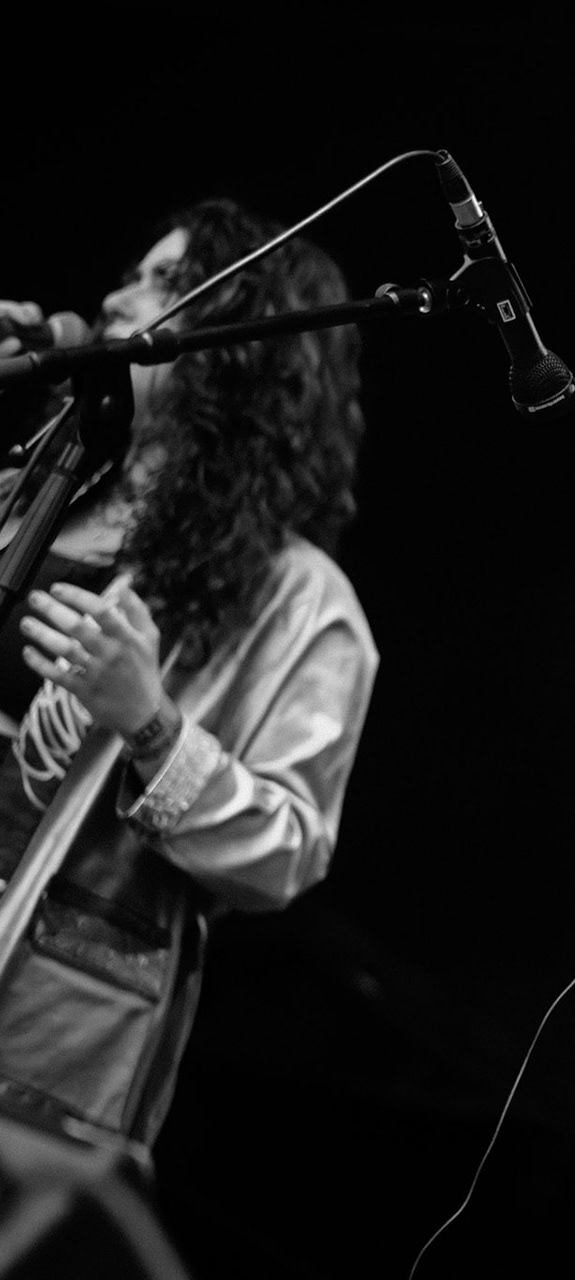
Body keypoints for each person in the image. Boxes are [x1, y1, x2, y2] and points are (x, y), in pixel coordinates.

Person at [0, 199, 378, 1153]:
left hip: (47, 1005)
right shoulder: (38, 487)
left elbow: (289, 850)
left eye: (162, 281)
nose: (117, 294)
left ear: (233, 347)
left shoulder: (298, 599)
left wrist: (151, 723)